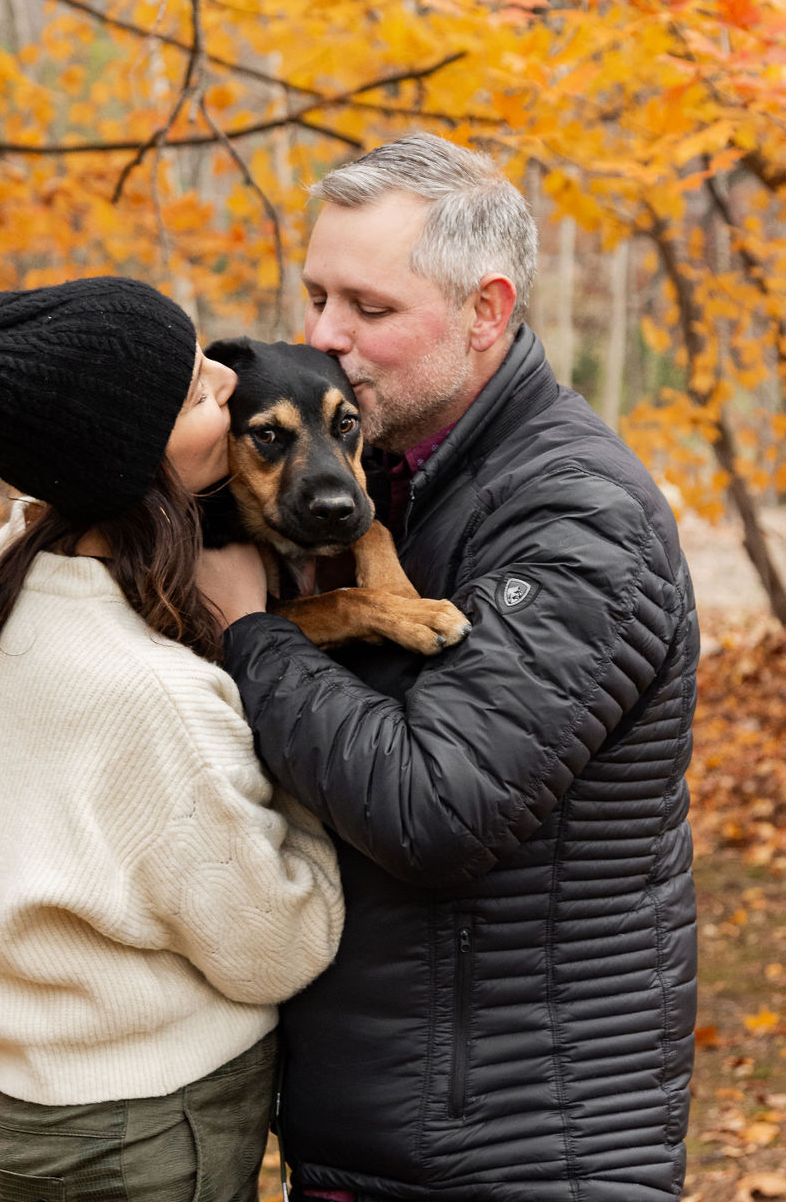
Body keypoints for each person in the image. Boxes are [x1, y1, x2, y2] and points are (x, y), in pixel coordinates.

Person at [203, 133, 700, 1202]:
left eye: (368, 309)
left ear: (485, 312)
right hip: (389, 1132)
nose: (326, 334)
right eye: (317, 296)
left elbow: (437, 807)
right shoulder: (400, 476)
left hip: (517, 1151)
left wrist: (250, 633)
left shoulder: (573, 518)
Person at [0, 267, 343, 1202]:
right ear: (130, 457)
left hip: (40, 1106)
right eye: (198, 390)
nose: (229, 380)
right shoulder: (147, 692)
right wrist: (306, 782)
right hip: (150, 1130)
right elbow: (277, 943)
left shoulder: (5, 574)